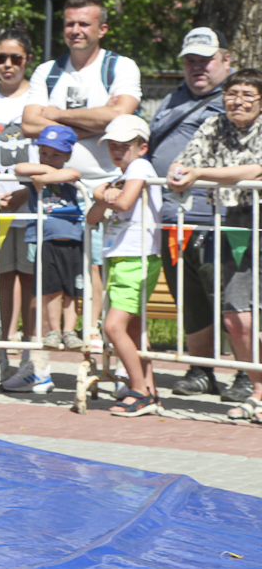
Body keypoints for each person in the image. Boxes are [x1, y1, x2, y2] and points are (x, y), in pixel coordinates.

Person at [21, 0, 142, 338]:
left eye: (84, 24)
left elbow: (122, 116)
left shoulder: (120, 67)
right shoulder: (48, 71)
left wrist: (56, 117)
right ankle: (42, 366)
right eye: (69, 24)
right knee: (51, 281)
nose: (76, 30)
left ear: (102, 29)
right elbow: (29, 124)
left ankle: (108, 357)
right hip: (57, 198)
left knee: (104, 278)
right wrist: (96, 122)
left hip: (108, 193)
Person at [166, 67, 262, 423]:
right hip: (231, 221)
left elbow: (255, 171)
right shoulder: (213, 125)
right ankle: (259, 392)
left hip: (260, 218)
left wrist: (200, 174)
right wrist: (179, 173)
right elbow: (187, 162)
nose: (238, 102)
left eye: (248, 96)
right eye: (232, 94)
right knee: (236, 317)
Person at [148, 27, 237, 400]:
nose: (197, 68)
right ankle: (202, 369)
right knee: (191, 299)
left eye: (205, 60)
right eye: (190, 61)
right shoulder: (172, 99)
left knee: (234, 300)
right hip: (172, 218)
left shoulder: (238, 99)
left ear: (226, 61)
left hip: (220, 218)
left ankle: (248, 373)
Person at [85, 115, 163, 416]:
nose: (117, 151)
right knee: (135, 330)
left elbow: (124, 203)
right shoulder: (121, 174)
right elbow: (92, 216)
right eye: (113, 146)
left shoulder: (140, 167)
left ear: (141, 148)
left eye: (124, 146)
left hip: (137, 256)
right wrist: (102, 194)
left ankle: (138, 389)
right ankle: (150, 390)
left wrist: (105, 195)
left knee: (114, 326)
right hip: (123, 255)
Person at [0, 126, 85, 394]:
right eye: (44, 153)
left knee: (71, 290)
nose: (48, 158)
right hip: (44, 238)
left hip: (71, 237)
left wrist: (47, 177)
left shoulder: (66, 173)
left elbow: (73, 174)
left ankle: (69, 330)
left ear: (68, 154)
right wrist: (45, 174)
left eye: (56, 154)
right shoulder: (36, 170)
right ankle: (53, 331)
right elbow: (20, 168)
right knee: (49, 290)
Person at [0, 27, 35, 386]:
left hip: (31, 200)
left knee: (31, 279)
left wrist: (24, 191)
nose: (8, 65)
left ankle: (30, 357)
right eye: (1, 58)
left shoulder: (39, 98)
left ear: (26, 60)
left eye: (15, 58)